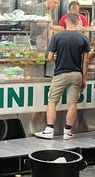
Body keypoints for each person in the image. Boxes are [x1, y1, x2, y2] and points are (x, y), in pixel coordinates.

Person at [34, 12, 90, 140]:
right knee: (72, 103)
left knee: (52, 102)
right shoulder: (83, 38)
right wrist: (84, 78)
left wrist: (57, 61)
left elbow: (49, 57)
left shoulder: (57, 36)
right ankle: (68, 132)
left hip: (60, 73)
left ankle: (49, 130)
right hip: (77, 74)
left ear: (66, 21)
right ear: (78, 22)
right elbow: (85, 61)